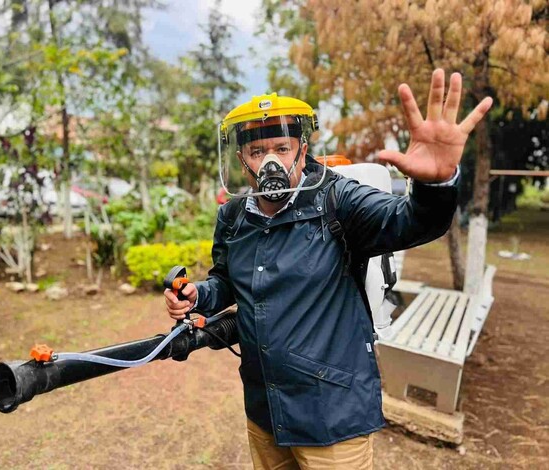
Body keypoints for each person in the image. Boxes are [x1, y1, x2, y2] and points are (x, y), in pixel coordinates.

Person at [164, 69, 492, 469]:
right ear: (242, 159)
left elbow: (409, 222)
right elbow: (227, 282)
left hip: (333, 417)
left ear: (302, 149)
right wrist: (201, 293)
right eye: (258, 152)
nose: (271, 162)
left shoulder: (339, 199)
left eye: (281, 148)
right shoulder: (233, 217)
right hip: (265, 410)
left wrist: (436, 187)